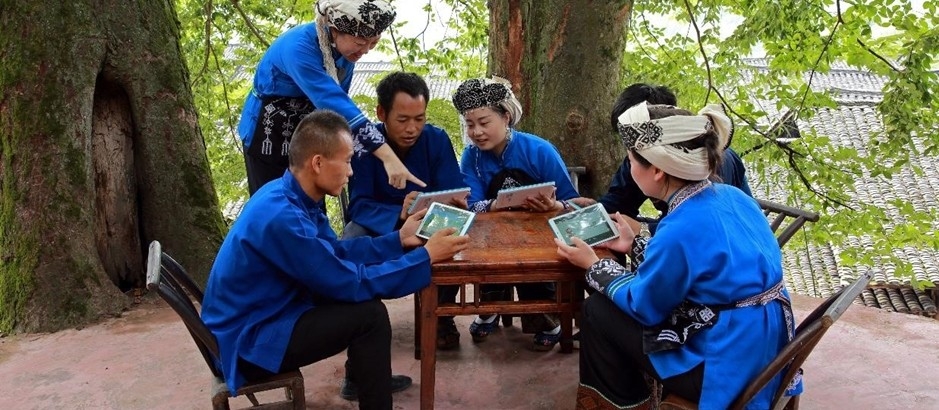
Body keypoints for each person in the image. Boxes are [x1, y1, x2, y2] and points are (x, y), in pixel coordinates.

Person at [201, 109, 469, 409]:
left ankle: (366, 379)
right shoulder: (283, 217)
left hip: (266, 314)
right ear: (317, 162)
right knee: (370, 316)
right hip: (249, 343)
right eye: (346, 161)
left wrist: (398, 240)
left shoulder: (290, 195)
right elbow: (349, 282)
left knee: (365, 311)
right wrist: (425, 256)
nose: (351, 171)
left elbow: (336, 253)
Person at [555, 102, 800, 409]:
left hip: (724, 366)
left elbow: (646, 306)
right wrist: (634, 244)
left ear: (657, 170)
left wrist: (595, 265)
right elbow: (698, 269)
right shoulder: (731, 197)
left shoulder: (679, 227)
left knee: (598, 311)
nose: (629, 169)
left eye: (631, 160)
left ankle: (624, 404)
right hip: (765, 348)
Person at [452, 77, 592, 351]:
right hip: (491, 234)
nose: (477, 132)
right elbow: (472, 204)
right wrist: (494, 206)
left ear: (506, 117)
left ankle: (544, 319)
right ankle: (490, 308)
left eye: (484, 122)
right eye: (470, 125)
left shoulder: (540, 150)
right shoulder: (472, 156)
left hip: (538, 235)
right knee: (486, 250)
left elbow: (572, 200)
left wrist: (555, 207)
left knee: (534, 261)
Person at [237, 0, 425, 196]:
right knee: (274, 199)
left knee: (312, 194)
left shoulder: (347, 53)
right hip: (270, 130)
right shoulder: (298, 48)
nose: (366, 50)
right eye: (361, 43)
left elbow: (340, 105)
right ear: (334, 29)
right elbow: (334, 102)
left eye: (373, 43)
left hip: (309, 131)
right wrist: (387, 155)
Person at [341, 71, 466, 350]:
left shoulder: (436, 140)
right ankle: (359, 321)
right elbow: (358, 205)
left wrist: (439, 204)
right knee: (351, 237)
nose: (412, 128)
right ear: (382, 113)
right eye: (403, 119)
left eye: (419, 119)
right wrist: (399, 212)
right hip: (381, 225)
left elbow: (454, 191)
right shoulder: (364, 146)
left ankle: (441, 312)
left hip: (428, 222)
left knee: (456, 233)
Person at [599, 83, 752, 237]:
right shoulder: (640, 154)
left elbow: (697, 231)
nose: (629, 152)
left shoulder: (707, 165)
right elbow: (619, 200)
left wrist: (643, 228)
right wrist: (594, 215)